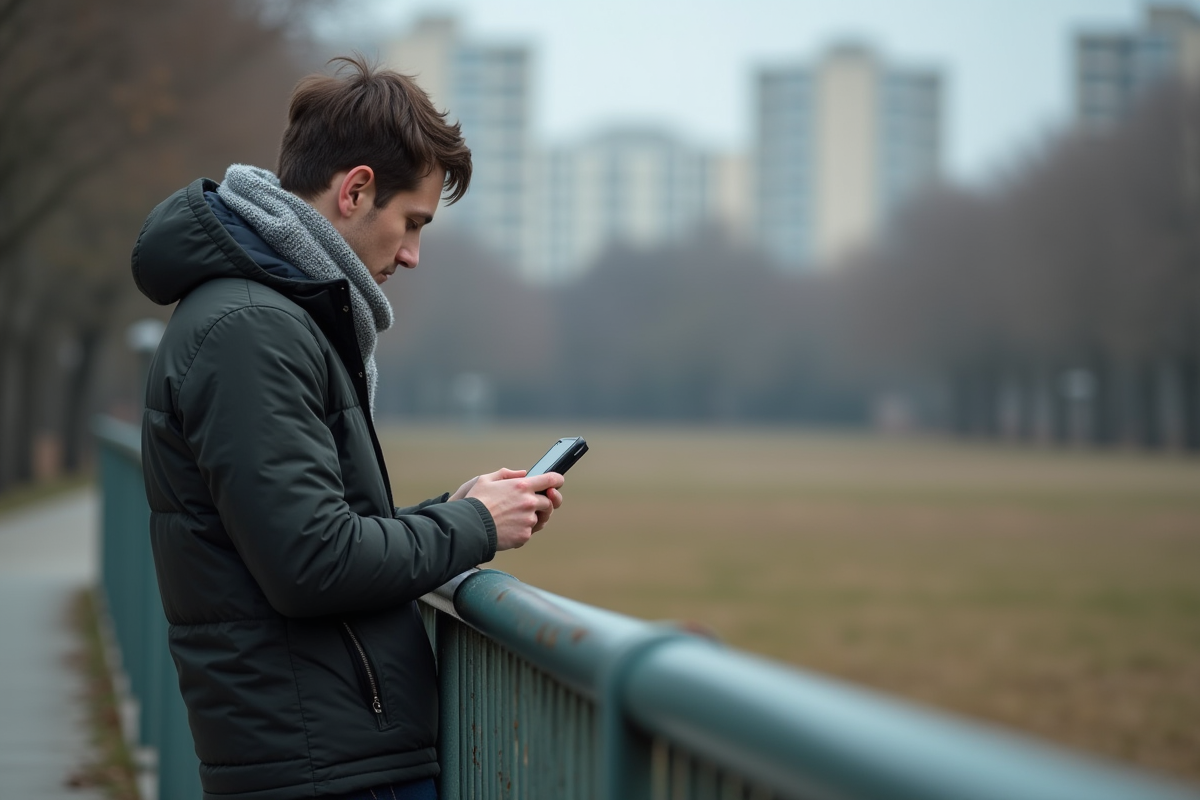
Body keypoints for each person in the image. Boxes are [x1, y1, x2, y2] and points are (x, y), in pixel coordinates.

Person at [132, 55, 564, 800]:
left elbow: (306, 531)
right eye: (411, 224)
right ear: (355, 189)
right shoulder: (252, 329)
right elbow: (312, 564)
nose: (412, 255)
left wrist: (451, 513)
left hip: (320, 753)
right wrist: (472, 527)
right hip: (321, 768)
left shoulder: (265, 314)